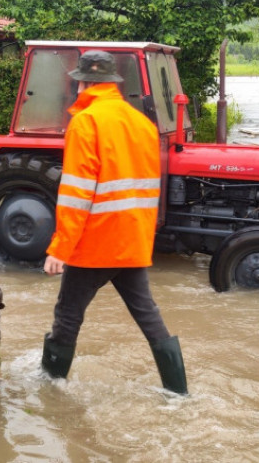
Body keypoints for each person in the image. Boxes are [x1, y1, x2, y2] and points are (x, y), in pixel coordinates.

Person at [41, 50, 187, 394]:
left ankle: (49, 389)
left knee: (67, 316)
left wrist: (60, 248)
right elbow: (149, 188)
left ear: (81, 83)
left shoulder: (86, 122)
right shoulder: (142, 124)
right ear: (113, 83)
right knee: (149, 317)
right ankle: (179, 393)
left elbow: (77, 193)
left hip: (96, 243)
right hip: (132, 240)